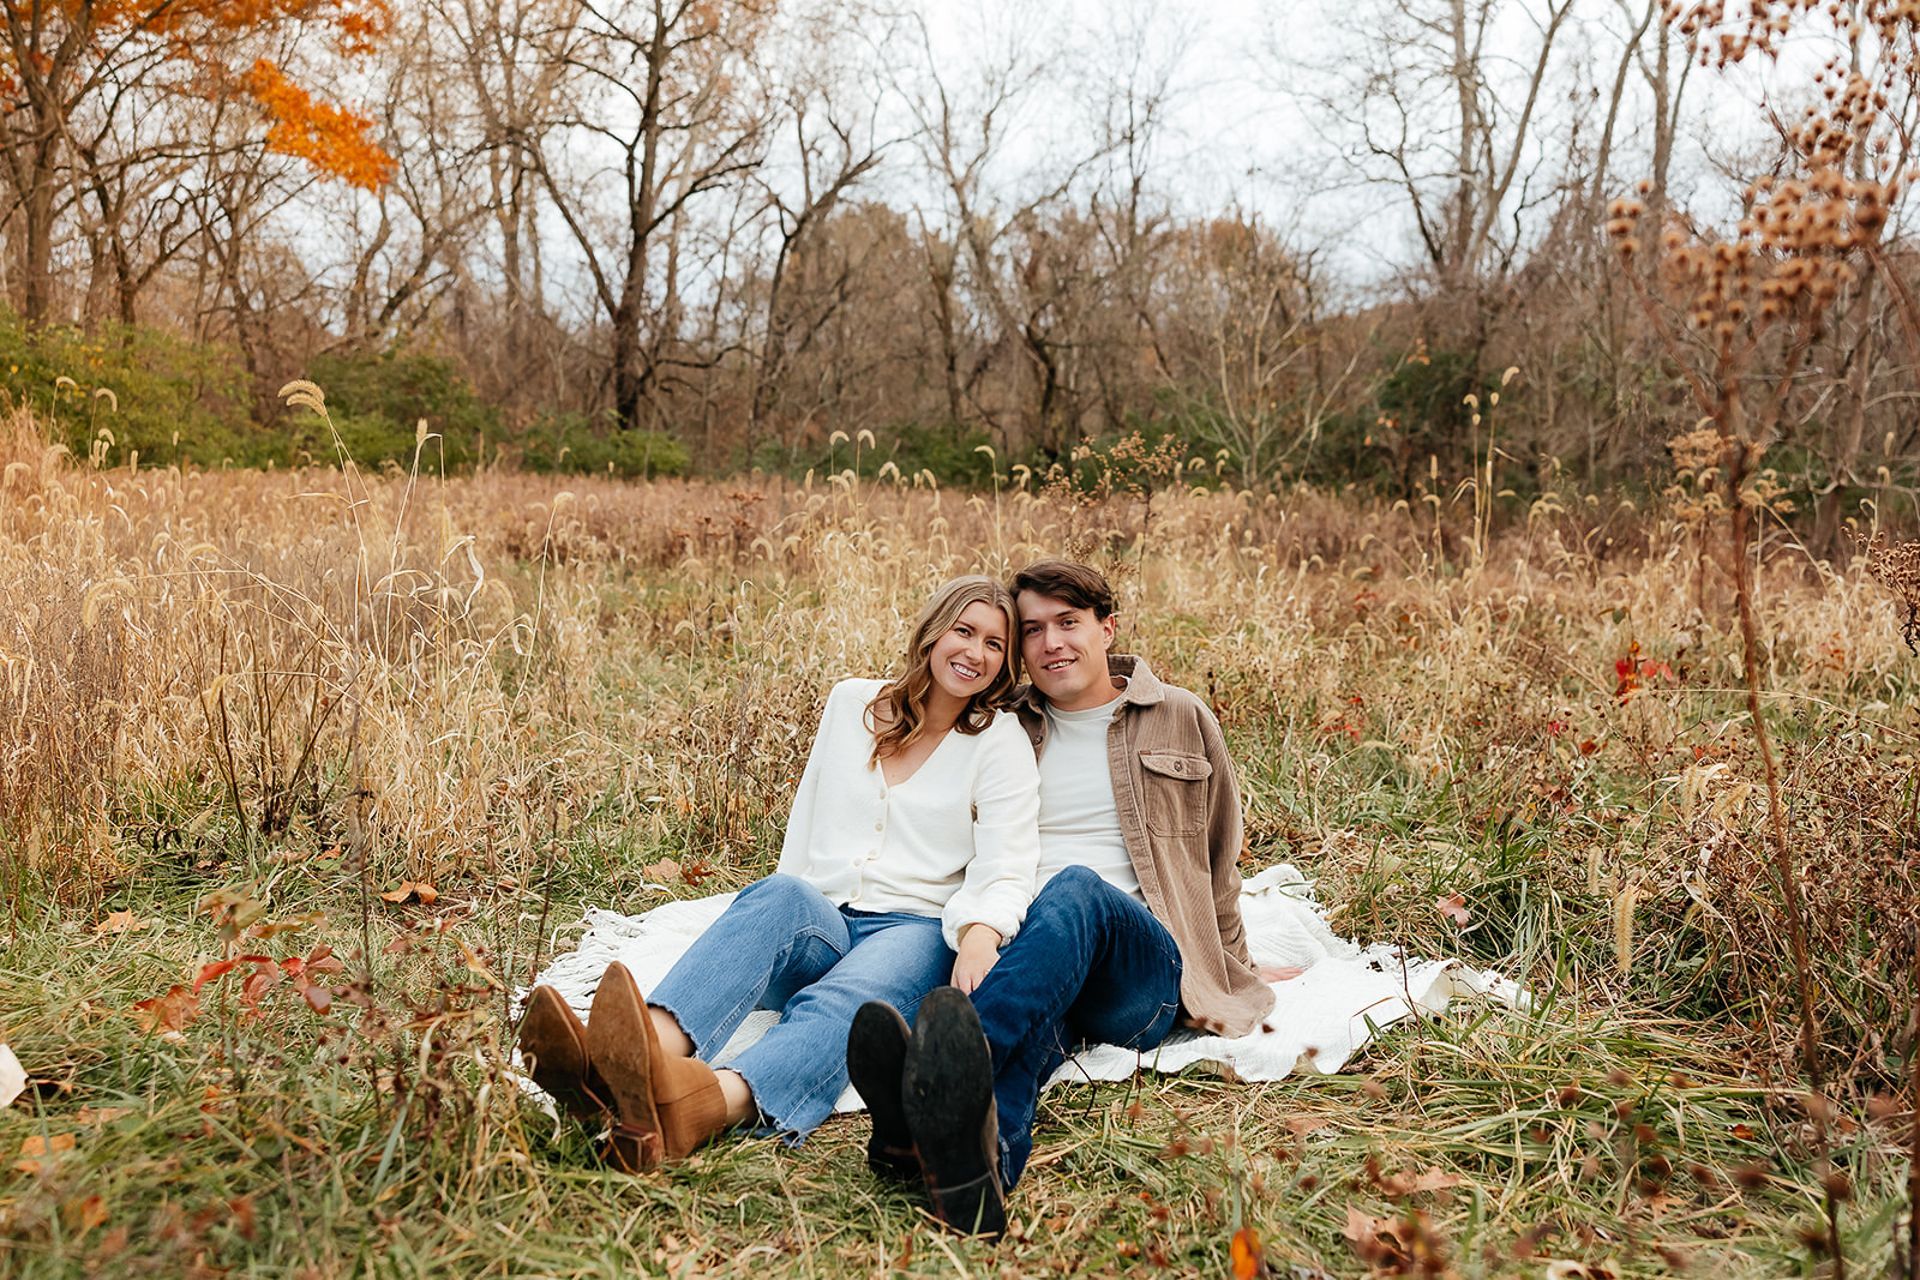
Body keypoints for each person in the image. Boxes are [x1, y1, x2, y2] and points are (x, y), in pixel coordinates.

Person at [517, 574, 1041, 1171]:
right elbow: (807, 817)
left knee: (848, 998)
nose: (975, 652)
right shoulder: (854, 704)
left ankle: (705, 1107)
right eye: (964, 631)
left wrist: (982, 933)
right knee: (780, 893)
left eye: (994, 645)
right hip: (826, 917)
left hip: (912, 930)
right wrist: (769, 920)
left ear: (1005, 666)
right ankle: (631, 1060)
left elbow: (1008, 859)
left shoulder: (999, 741)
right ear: (932, 632)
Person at [846, 558, 1293, 1236]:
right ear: (1019, 651)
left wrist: (1235, 964)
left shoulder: (1179, 716)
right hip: (1041, 962)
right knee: (1032, 1040)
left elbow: (1218, 859)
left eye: (1069, 623)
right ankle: (973, 1174)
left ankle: (934, 1082)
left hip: (1141, 972)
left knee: (1074, 889)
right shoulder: (1000, 727)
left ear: (1106, 629)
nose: (1051, 643)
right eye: (1032, 631)